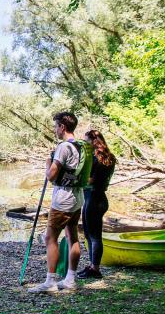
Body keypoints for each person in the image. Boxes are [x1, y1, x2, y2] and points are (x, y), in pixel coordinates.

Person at [29, 112, 91, 293]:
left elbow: (51, 175)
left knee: (50, 237)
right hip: (78, 197)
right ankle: (70, 279)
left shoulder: (64, 147)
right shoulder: (81, 146)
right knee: (72, 236)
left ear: (62, 127)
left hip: (63, 199)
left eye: (56, 126)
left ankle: (50, 282)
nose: (55, 130)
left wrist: (48, 162)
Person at [78, 130, 116, 279]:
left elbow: (91, 180)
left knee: (94, 236)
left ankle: (95, 269)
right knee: (89, 234)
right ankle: (92, 265)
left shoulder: (96, 158)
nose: (85, 143)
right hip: (98, 198)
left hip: (93, 198)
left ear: (94, 141)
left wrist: (76, 178)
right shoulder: (109, 157)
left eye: (86, 141)